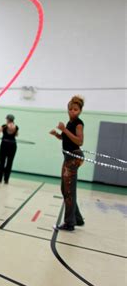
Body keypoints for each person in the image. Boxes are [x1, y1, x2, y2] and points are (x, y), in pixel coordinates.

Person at [50, 95, 85, 231]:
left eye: (75, 109)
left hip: (74, 157)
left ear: (80, 111)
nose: (72, 111)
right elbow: (67, 140)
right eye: (70, 109)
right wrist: (57, 135)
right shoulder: (70, 123)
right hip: (68, 157)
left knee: (69, 191)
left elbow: (80, 141)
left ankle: (70, 223)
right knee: (65, 189)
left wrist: (64, 130)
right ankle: (78, 219)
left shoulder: (78, 123)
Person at [0, 114, 19, 184]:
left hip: (4, 145)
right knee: (9, 163)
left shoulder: (4, 126)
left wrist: (1, 131)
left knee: (2, 162)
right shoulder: (16, 127)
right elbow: (17, 135)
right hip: (13, 145)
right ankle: (6, 180)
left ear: (8, 119)